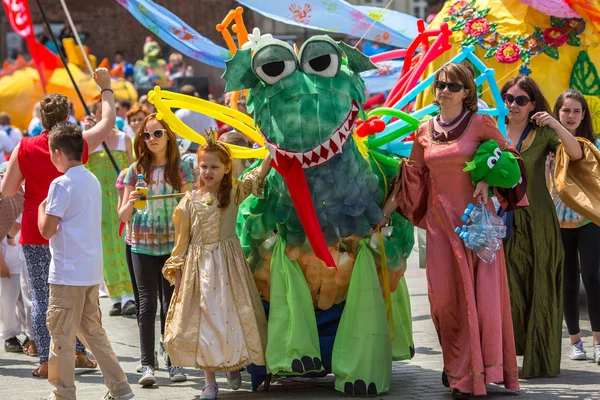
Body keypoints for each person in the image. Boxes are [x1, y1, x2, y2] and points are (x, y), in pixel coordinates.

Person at [379, 63, 520, 398]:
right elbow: (411, 176)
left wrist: (487, 178)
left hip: (475, 226)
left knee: (479, 300)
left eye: (453, 86)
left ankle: (469, 376)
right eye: (440, 84)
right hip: (439, 228)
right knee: (443, 302)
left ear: (467, 92)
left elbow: (510, 157)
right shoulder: (425, 130)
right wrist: (382, 213)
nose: (444, 90)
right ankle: (456, 366)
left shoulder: (481, 123)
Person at [0, 68, 116, 378]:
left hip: (36, 231)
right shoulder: (75, 142)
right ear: (67, 116)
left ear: (41, 118)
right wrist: (106, 89)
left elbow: (7, 190)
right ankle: (77, 352)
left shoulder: (24, 147)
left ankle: (44, 359)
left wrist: (31, 194)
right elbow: (107, 124)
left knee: (40, 295)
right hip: (71, 232)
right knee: (74, 294)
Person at [163, 135, 270, 400]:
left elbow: (256, 175)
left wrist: (272, 152)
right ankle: (210, 382)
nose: (208, 172)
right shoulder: (189, 201)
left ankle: (232, 365)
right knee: (205, 322)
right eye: (203, 166)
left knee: (230, 318)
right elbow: (181, 241)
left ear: (226, 169)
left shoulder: (234, 191)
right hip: (199, 270)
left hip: (229, 267)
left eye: (214, 167)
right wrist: (176, 269)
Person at [38, 122, 134, 400]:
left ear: (57, 153)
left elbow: (46, 230)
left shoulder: (61, 183)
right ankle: (120, 387)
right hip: (90, 271)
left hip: (67, 273)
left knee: (61, 339)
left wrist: (42, 209)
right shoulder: (90, 178)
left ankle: (63, 394)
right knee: (94, 334)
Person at [501, 75, 582, 378]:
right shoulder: (493, 128)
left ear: (533, 104)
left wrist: (555, 122)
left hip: (539, 219)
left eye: (521, 100)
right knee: (508, 287)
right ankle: (505, 359)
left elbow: (575, 153)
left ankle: (539, 362)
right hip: (502, 220)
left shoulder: (543, 132)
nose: (513, 105)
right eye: (509, 98)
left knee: (542, 284)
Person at [119, 114, 194, 386]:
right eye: (146, 135)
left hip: (172, 246)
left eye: (157, 134)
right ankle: (147, 364)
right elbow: (123, 215)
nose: (151, 139)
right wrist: (133, 199)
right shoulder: (135, 170)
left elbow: (190, 209)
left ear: (168, 136)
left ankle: (173, 362)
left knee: (170, 305)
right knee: (146, 304)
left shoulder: (182, 169)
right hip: (140, 244)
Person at [548, 89, 600, 364]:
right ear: (558, 112)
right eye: (565, 110)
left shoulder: (593, 144)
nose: (570, 115)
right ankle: (575, 341)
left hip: (589, 219)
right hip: (558, 221)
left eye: (576, 111)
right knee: (568, 281)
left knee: (592, 277)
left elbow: (576, 153)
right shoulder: (547, 144)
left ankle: (598, 341)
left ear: (584, 115)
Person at [87, 100, 135, 317]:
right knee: (105, 249)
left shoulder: (125, 139)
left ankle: (130, 296)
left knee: (125, 244)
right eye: (99, 112)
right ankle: (116, 297)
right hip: (98, 203)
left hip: (121, 199)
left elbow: (135, 169)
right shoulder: (87, 142)